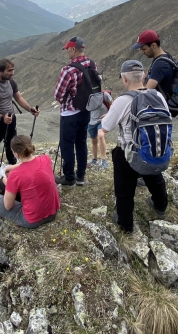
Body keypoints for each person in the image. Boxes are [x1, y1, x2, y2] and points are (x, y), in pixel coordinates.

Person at [99, 60, 169, 234]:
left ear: (124, 79)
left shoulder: (122, 101)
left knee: (124, 187)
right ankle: (160, 206)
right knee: (154, 175)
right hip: (154, 147)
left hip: (129, 153)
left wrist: (108, 116)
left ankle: (125, 223)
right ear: (144, 76)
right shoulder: (158, 96)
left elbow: (106, 127)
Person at [0, 135, 60, 228]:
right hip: (52, 212)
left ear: (16, 154)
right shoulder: (45, 159)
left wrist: (6, 181)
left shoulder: (15, 175)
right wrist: (13, 167)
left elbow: (8, 206)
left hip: (32, 220)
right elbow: (33, 162)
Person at [0, 58, 39, 177]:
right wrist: (1, 118)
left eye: (13, 70)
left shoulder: (11, 82)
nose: (12, 73)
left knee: (12, 143)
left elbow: (18, 98)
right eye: (9, 71)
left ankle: (13, 164)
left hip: (11, 119)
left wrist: (30, 109)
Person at [53, 36, 98, 187]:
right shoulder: (92, 64)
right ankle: (81, 176)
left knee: (67, 144)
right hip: (86, 110)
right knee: (81, 143)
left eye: (67, 49)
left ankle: (69, 178)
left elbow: (58, 95)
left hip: (69, 113)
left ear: (73, 49)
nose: (66, 52)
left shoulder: (68, 70)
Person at [133, 29, 175, 99]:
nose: (142, 52)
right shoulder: (166, 56)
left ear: (153, 45)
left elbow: (146, 93)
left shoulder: (160, 65)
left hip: (162, 108)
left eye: (144, 49)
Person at [87, 90, 113, 169]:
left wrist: (108, 114)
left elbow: (112, 105)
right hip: (91, 121)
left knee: (101, 136)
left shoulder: (104, 94)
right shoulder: (87, 94)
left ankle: (103, 160)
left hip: (102, 120)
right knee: (94, 141)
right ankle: (94, 159)